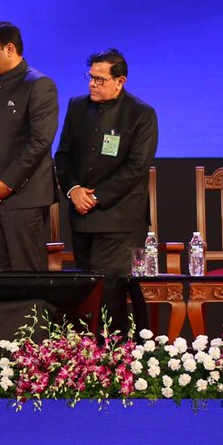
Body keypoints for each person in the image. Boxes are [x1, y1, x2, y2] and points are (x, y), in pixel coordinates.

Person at [55, 48, 158, 329]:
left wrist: (96, 197)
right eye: (90, 77)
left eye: (100, 79)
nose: (92, 84)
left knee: (110, 288)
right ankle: (85, 348)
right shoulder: (77, 106)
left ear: (120, 81)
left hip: (119, 217)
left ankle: (114, 349)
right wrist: (74, 190)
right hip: (81, 213)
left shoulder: (141, 113)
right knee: (84, 286)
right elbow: (63, 155)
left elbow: (136, 168)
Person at [0, 21, 59, 271]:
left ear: (9, 49)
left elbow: (40, 142)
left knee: (26, 275)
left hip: (24, 200)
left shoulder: (39, 85)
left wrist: (6, 184)